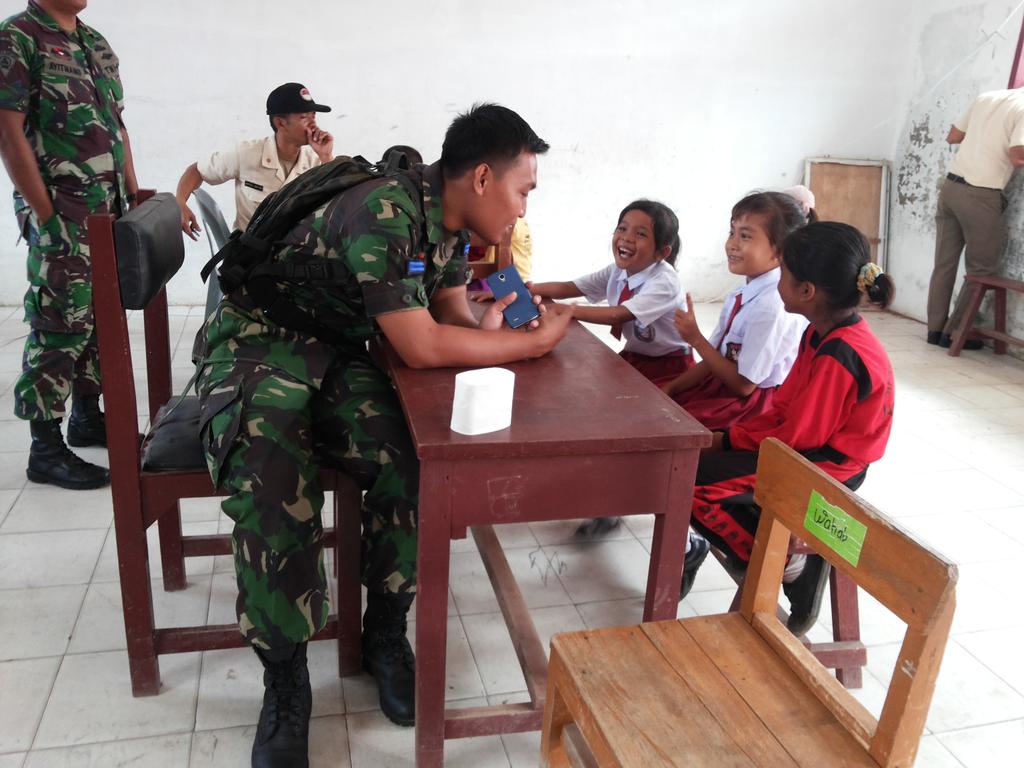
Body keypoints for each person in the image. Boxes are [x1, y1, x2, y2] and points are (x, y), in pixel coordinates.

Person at [195, 103, 571, 766]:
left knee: (410, 456)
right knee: (272, 474)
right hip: (257, 342)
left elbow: (448, 309)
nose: (523, 210)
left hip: (335, 348)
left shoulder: (447, 222)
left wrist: (493, 329)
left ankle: (385, 631)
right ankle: (285, 677)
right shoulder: (388, 209)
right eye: (523, 191)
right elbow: (421, 345)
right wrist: (532, 344)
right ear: (483, 178)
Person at [681, 222, 895, 637]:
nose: (776, 281)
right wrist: (727, 438)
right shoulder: (820, 332)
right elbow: (783, 407)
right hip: (804, 447)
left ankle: (787, 564)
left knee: (692, 485)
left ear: (806, 291)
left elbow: (799, 439)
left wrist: (727, 442)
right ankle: (765, 540)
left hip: (828, 465)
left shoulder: (840, 353)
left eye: (784, 274)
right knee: (702, 457)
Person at [0, 0, 140, 490]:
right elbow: (7, 128)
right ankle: (45, 447)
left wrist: (134, 195)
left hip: (107, 213)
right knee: (60, 321)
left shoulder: (94, 41)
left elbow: (116, 126)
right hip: (64, 213)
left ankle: (86, 415)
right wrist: (45, 215)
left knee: (99, 317)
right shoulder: (18, 36)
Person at [663, 192, 809, 429]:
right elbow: (715, 358)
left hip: (751, 406)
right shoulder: (743, 293)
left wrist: (695, 339)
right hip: (722, 384)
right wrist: (672, 388)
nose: (732, 244)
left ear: (780, 251)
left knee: (673, 428)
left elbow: (744, 386)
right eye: (732, 232)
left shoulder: (771, 306)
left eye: (745, 236)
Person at [531, 199, 690, 383]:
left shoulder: (665, 281)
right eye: (622, 228)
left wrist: (567, 310)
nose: (626, 238)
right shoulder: (617, 270)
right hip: (636, 355)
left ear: (662, 253)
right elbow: (569, 287)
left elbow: (618, 315)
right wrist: (525, 290)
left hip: (671, 365)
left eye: (640, 234)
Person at [926, 88, 1024, 349]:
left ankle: (934, 330)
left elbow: (953, 136)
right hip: (980, 195)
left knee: (944, 263)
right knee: (981, 271)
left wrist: (984, 137)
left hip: (950, 187)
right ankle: (955, 333)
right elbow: (1017, 156)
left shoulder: (987, 97)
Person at [176, 82, 334, 238]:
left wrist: (326, 156)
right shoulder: (246, 154)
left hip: (295, 253)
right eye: (304, 117)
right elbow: (197, 171)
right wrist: (180, 202)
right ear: (280, 122)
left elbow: (336, 206)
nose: (313, 124)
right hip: (251, 255)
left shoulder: (316, 161)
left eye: (314, 116)